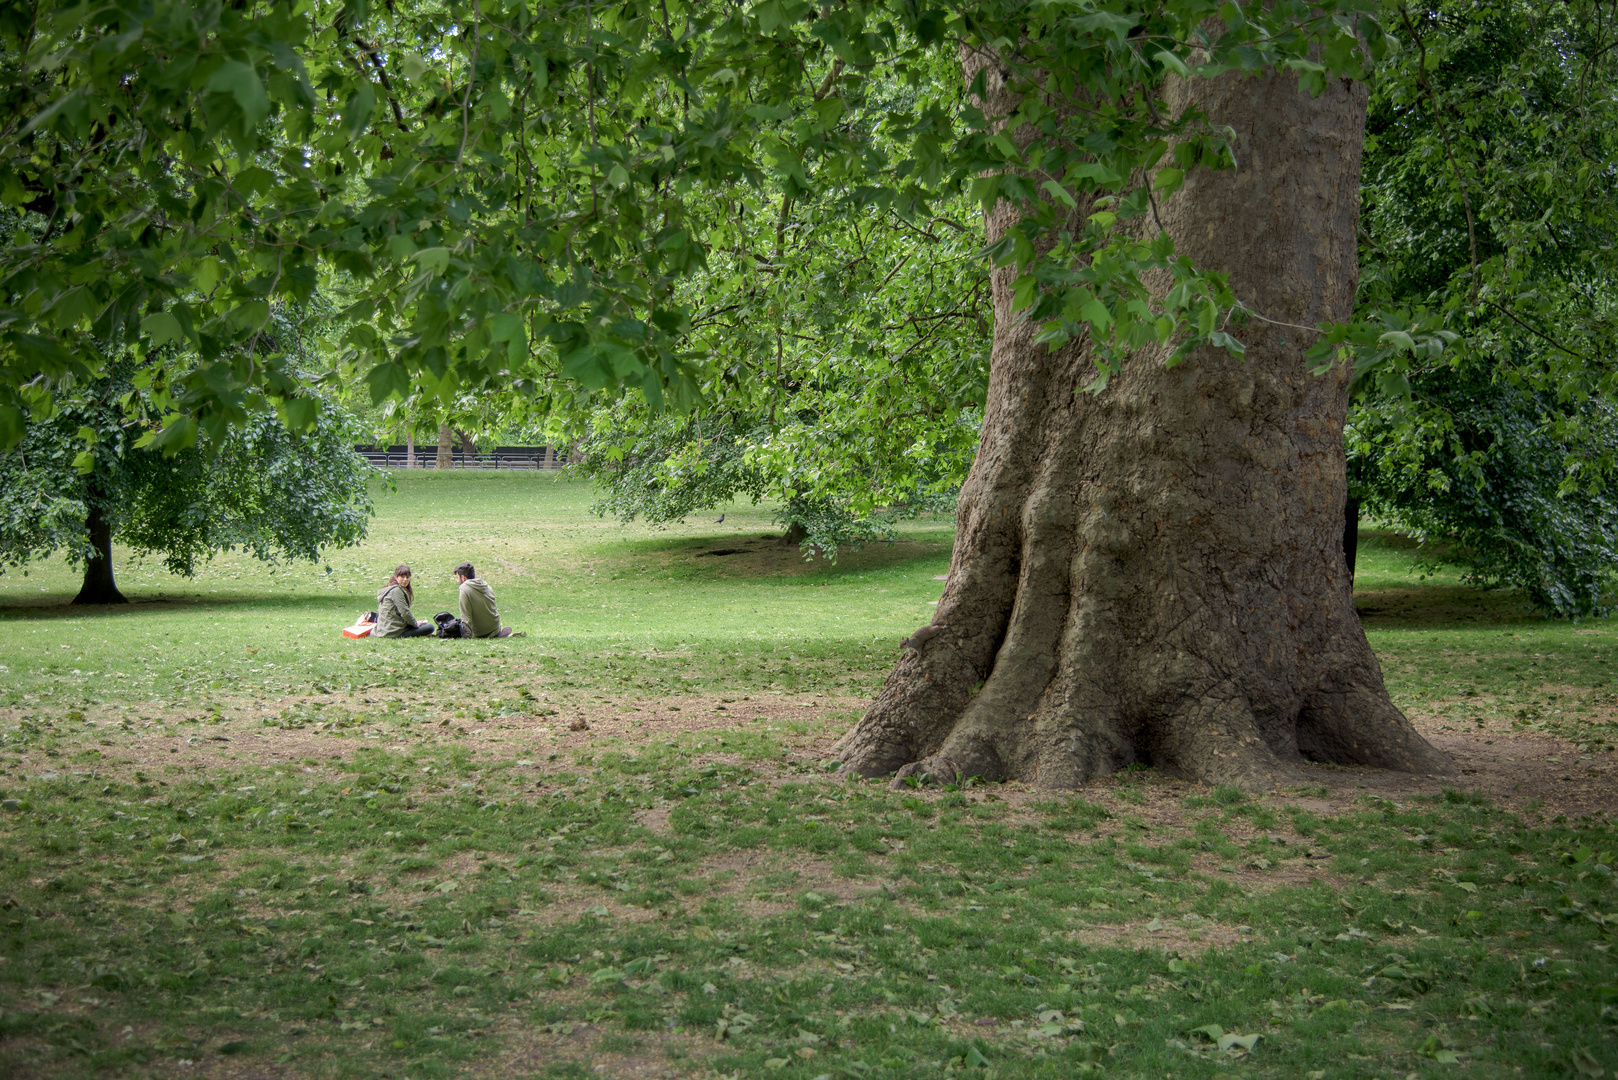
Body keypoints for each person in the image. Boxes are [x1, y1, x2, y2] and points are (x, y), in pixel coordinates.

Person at [454, 562, 513, 638]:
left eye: (457, 578)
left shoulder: (464, 588)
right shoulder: (486, 585)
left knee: (451, 626)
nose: (457, 581)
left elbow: (466, 617)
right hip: (496, 628)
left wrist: (467, 637)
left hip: (482, 633)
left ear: (463, 577)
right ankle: (499, 635)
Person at [375, 564, 435, 638]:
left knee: (424, 626)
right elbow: (405, 612)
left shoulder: (391, 588)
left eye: (407, 577)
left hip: (385, 629)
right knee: (430, 627)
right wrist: (415, 624)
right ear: (395, 577)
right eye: (402, 577)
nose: (405, 579)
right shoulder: (396, 590)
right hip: (393, 631)